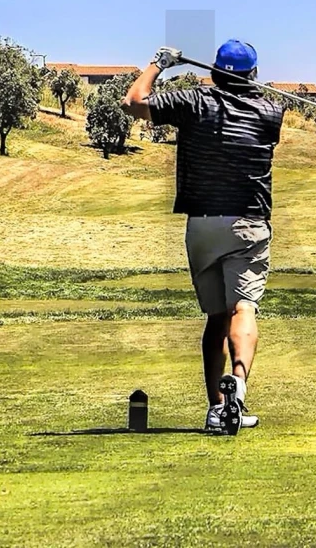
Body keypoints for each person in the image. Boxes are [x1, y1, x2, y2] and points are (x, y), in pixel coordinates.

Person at [121, 39, 284, 434]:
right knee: (243, 308)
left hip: (203, 225)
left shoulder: (194, 101)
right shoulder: (270, 111)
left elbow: (133, 102)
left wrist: (159, 63)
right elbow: (245, 98)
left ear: (214, 72)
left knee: (215, 318)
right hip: (248, 222)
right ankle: (238, 387)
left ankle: (217, 409)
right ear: (253, 74)